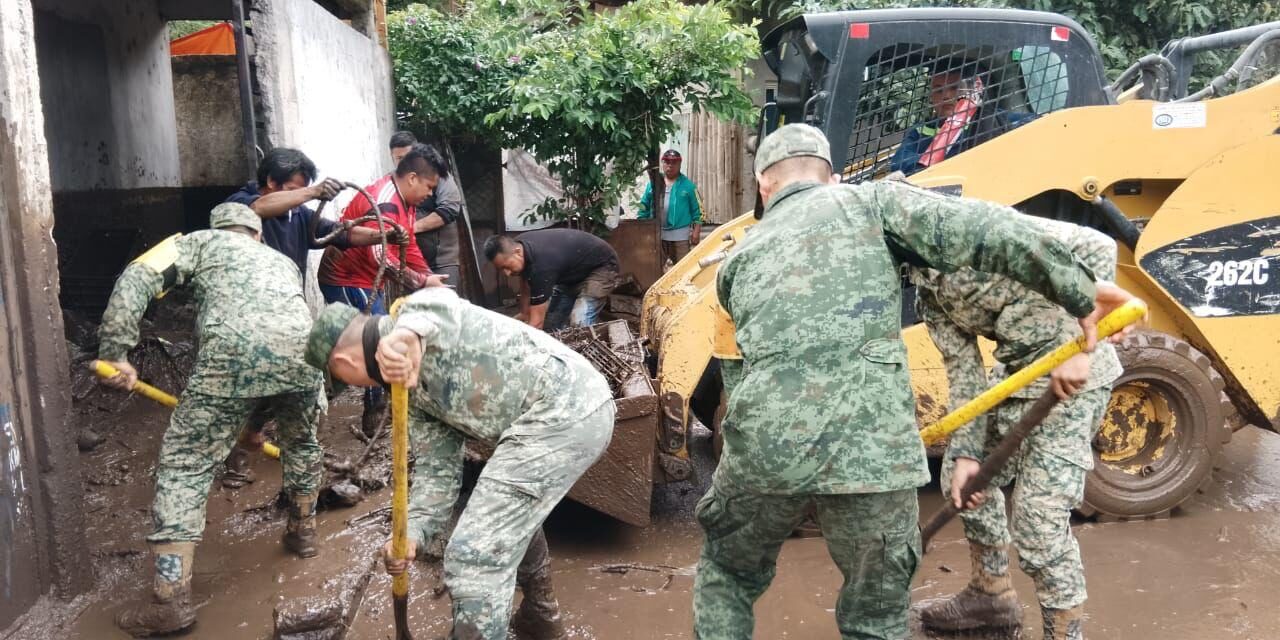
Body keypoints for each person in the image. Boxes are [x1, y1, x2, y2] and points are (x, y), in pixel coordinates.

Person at [692, 124, 1135, 640]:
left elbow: (737, 372)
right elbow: (983, 268)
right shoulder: (889, 228)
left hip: (1072, 367)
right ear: (832, 177)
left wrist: (1087, 333)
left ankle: (1040, 618)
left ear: (763, 186)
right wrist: (1079, 294)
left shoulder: (735, 260)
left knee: (727, 572)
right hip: (912, 437)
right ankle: (991, 594)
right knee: (887, 602)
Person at [303, 286, 615, 639]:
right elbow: (438, 471)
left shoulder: (412, 317)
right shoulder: (409, 394)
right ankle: (540, 617)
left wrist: (405, 336)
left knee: (472, 559)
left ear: (344, 366)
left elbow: (439, 302)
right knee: (504, 517)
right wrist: (414, 535)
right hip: (553, 421)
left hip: (565, 409)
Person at [97, 203, 324, 637]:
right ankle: (304, 533)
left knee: (186, 463)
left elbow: (137, 276)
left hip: (230, 358)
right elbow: (271, 346)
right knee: (303, 445)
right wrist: (253, 427)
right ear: (257, 235)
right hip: (305, 355)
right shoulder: (282, 262)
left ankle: (168, 600)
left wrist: (114, 351)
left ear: (217, 229)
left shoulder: (196, 242)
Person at [914, 219, 1122, 640]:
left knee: (1038, 524)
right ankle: (991, 597)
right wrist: (969, 454)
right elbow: (965, 372)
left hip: (1075, 382)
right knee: (961, 473)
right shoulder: (927, 289)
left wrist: (1081, 342)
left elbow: (1098, 246)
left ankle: (1065, 634)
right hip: (1017, 377)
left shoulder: (981, 232)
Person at [221, 147, 407, 488]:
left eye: (303, 187)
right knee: (243, 386)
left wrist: (383, 234)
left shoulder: (299, 215)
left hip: (287, 313)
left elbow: (343, 234)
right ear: (270, 182)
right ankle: (237, 461)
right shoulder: (243, 202)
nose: (300, 194)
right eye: (293, 187)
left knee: (296, 380)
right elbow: (257, 209)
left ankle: (288, 451)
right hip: (246, 317)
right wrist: (313, 191)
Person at [318, 142, 441, 436]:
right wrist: (421, 282)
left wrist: (429, 277)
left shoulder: (407, 204)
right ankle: (373, 416)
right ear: (412, 178)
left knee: (378, 335)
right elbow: (379, 254)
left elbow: (406, 243)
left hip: (365, 276)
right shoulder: (385, 202)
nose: (431, 193)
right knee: (374, 341)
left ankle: (375, 406)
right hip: (346, 277)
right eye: (429, 185)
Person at [889, 63, 1033, 176]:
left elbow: (1034, 123)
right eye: (938, 90)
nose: (946, 96)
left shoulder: (992, 119)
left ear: (972, 90)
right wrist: (940, 163)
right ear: (931, 96)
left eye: (954, 88)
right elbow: (899, 164)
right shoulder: (920, 130)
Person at [483, 229, 620, 331]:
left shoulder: (541, 266)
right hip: (572, 273)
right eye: (502, 269)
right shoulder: (519, 246)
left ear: (518, 252)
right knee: (552, 325)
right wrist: (525, 313)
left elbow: (536, 324)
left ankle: (587, 361)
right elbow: (526, 284)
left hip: (602, 267)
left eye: (506, 267)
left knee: (580, 322)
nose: (506, 273)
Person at [390, 131, 466, 288]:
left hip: (442, 260)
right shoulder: (392, 182)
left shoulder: (438, 176)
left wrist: (412, 228)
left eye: (408, 157)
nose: (404, 163)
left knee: (445, 307)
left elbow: (450, 208)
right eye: (399, 159)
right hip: (411, 260)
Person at [637, 148, 703, 266]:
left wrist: (696, 231)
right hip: (658, 234)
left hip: (680, 236)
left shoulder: (688, 186)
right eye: (667, 162)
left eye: (674, 163)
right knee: (655, 268)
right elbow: (644, 206)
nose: (670, 165)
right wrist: (643, 229)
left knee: (683, 268)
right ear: (662, 163)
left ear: (680, 164)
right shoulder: (653, 184)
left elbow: (698, 210)